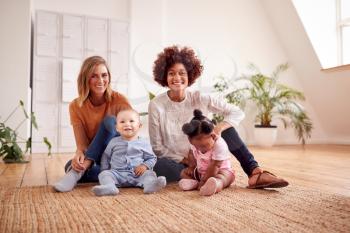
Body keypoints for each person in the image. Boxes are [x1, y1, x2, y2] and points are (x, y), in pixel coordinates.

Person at [148, 45, 289, 189]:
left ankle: (254, 172)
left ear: (189, 75)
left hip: (207, 156)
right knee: (157, 165)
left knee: (227, 129)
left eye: (182, 73)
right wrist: (186, 159)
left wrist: (219, 128)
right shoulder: (156, 105)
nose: (177, 78)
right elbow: (157, 147)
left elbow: (237, 112)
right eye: (171, 73)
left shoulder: (200, 98)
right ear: (164, 76)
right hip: (179, 162)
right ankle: (198, 176)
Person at [54, 56, 131, 192]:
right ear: (85, 78)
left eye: (104, 75)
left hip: (118, 157)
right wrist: (79, 154)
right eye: (94, 76)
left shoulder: (120, 100)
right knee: (70, 165)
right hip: (99, 160)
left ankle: (79, 172)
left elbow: (132, 134)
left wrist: (87, 160)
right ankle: (105, 174)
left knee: (110, 122)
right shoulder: (76, 106)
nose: (101, 81)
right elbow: (82, 144)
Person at [91, 109, 166, 196]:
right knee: (104, 174)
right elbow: (106, 156)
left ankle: (150, 185)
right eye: (122, 122)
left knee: (149, 174)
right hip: (117, 173)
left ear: (139, 125)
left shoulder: (144, 142)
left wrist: (144, 166)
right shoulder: (113, 142)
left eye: (131, 121)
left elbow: (152, 158)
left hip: (138, 174)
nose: (127, 124)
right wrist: (104, 169)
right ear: (117, 128)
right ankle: (109, 187)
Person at [179, 109, 235, 196]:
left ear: (213, 136)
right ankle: (194, 183)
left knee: (223, 177)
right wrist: (192, 167)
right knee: (183, 173)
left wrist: (204, 181)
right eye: (198, 146)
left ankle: (215, 185)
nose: (201, 149)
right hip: (201, 173)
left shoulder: (219, 145)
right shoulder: (194, 144)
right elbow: (191, 154)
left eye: (204, 146)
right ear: (190, 141)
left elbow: (215, 165)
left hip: (220, 171)